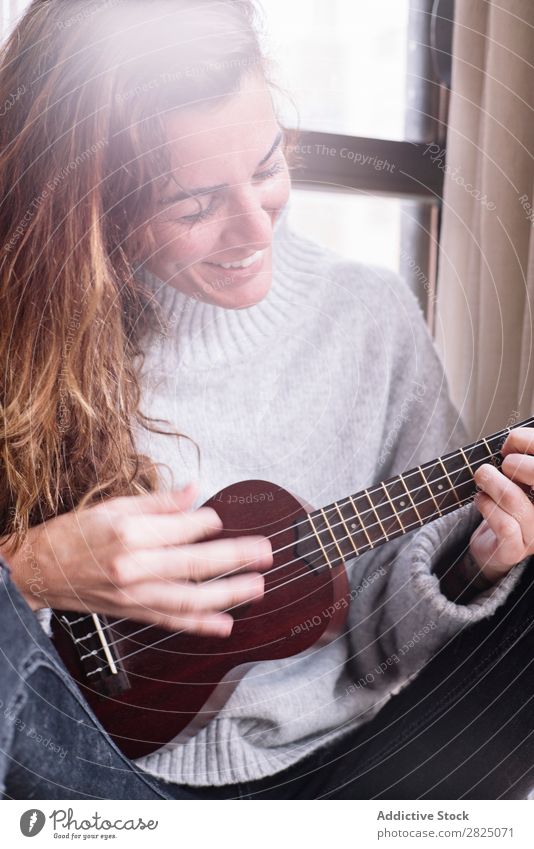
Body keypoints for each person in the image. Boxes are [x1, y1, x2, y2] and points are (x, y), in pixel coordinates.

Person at [1, 0, 534, 801]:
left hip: (350, 767)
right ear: (90, 198)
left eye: (266, 166)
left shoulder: (371, 316)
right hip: (88, 772)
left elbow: (381, 646)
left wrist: (475, 561)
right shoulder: (23, 330)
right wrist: (33, 569)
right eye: (194, 203)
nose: (256, 230)